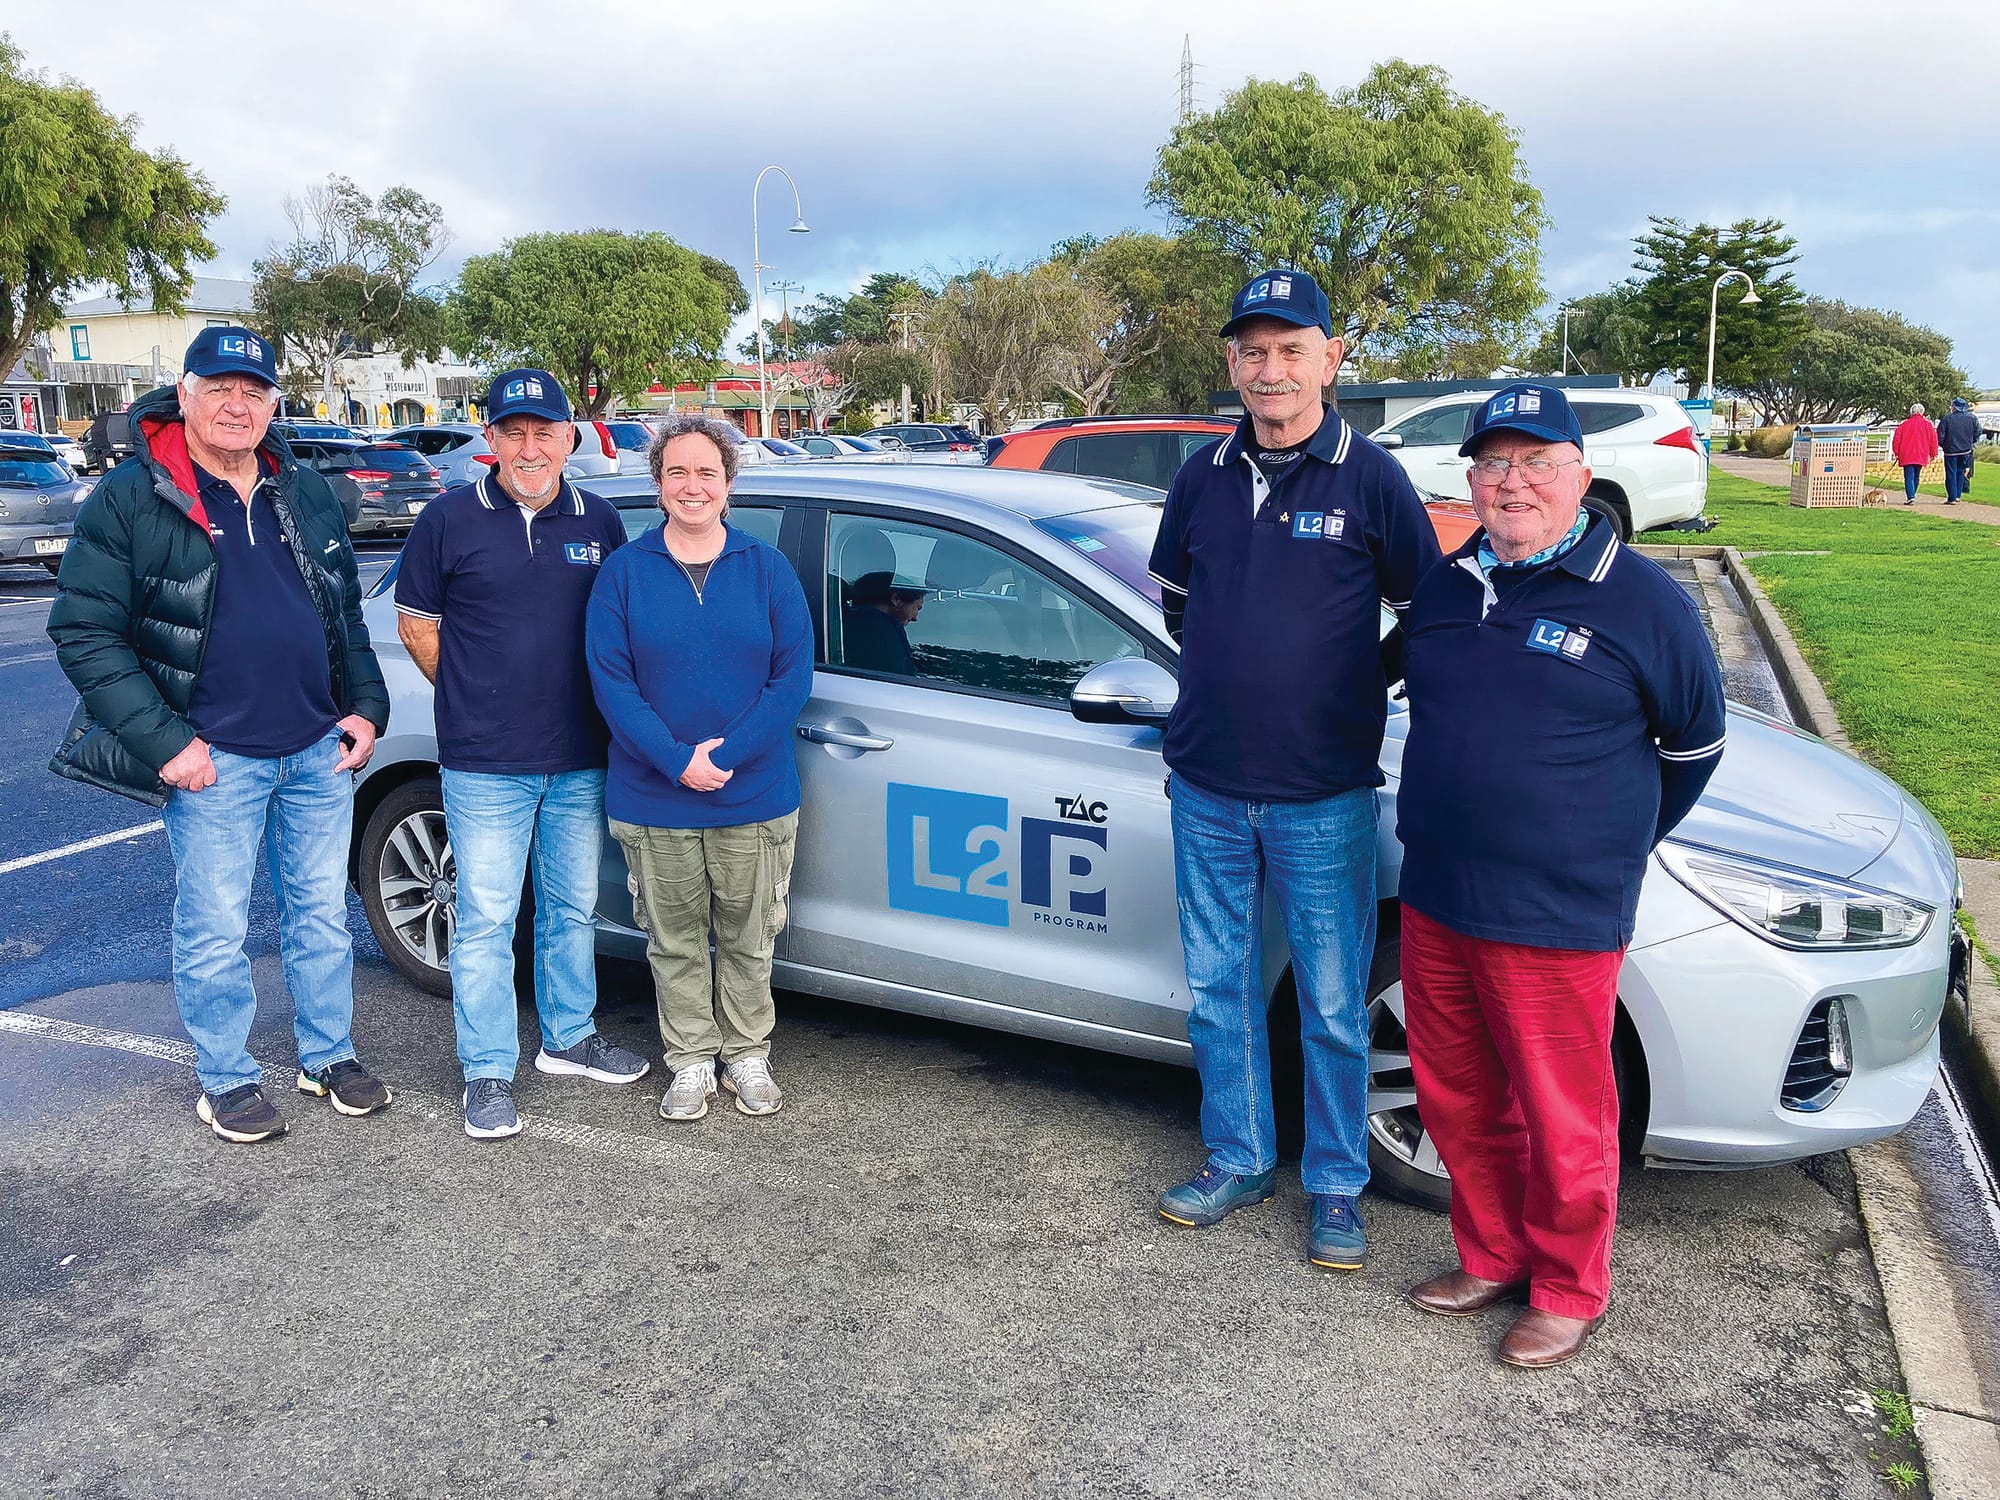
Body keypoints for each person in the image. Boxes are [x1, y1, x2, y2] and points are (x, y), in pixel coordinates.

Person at [1395, 382, 1725, 1368]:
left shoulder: (1641, 599)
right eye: (1494, 464)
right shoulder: (1449, 586)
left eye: (1537, 462)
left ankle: (1568, 1287)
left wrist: (1603, 841)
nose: (1513, 482)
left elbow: (1693, 744)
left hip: (1557, 914)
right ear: (1471, 480)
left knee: (1559, 1110)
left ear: (1579, 475)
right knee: (1454, 1096)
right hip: (1437, 894)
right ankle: (1489, 1254)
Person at [1145, 269, 1442, 1270]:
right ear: (1230, 364)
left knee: (1326, 999)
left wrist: (1357, 680)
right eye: (1251, 352)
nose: (1269, 371)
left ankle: (1333, 1186)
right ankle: (1236, 1159)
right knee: (1216, 991)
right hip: (1207, 789)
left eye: (1289, 350)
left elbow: (1427, 612)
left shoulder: (1372, 480)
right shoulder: (1200, 476)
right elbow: (1177, 605)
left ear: (1330, 357)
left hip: (1323, 795)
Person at [47, 327, 392, 1142]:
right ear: (188, 394)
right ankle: (227, 1078)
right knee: (215, 925)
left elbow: (343, 611)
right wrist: (167, 744)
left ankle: (328, 1057)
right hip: (213, 758)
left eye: (254, 390)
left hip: (315, 747)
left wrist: (366, 710)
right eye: (221, 388)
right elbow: (84, 632)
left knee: (318, 913)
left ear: (273, 402)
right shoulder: (135, 495)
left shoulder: (298, 488)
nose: (238, 404)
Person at [395, 369, 649, 1141]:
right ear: (491, 439)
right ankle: (486, 1072)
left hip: (580, 756)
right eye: (513, 431)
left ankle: (569, 1038)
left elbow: (618, 632)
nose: (530, 447)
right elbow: (418, 627)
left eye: (545, 431)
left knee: (572, 909)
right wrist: (479, 696)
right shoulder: (447, 520)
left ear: (569, 438)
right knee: (485, 919)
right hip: (484, 762)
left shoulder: (601, 519)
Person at [586, 416, 814, 1122]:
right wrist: (676, 760)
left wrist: (726, 754)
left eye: (706, 473)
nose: (692, 486)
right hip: (655, 798)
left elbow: (792, 677)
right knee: (674, 938)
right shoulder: (624, 573)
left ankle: (746, 1053)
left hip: (755, 794)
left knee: (750, 936)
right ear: (657, 485)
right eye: (677, 472)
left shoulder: (766, 568)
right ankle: (689, 1061)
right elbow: (611, 681)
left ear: (729, 484)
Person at [1891, 403, 1939, 503]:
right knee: (1916, 475)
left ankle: (1911, 496)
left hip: (1906, 453)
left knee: (1909, 475)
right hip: (1921, 453)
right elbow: (1933, 440)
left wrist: (1896, 452)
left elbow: (1896, 439)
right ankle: (1912, 494)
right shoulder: (1928, 425)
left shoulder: (1904, 424)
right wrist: (1933, 453)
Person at [1937, 397, 1981, 505]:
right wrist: (1970, 442)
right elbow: (1978, 432)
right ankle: (1957, 495)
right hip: (1965, 450)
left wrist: (1944, 445)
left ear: (1954, 407)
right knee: (1961, 472)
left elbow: (1940, 436)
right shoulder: (1972, 418)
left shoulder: (1947, 419)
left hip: (1950, 451)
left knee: (1951, 473)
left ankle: (1952, 497)